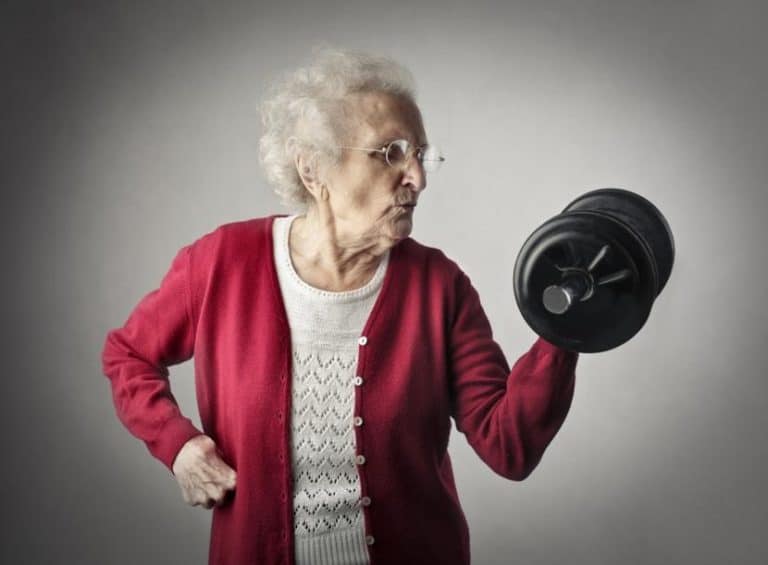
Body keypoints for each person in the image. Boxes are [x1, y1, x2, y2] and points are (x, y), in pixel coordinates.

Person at [101, 47, 579, 565]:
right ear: (313, 168)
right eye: (392, 152)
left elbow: (507, 444)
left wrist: (567, 329)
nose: (417, 176)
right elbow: (127, 355)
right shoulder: (220, 263)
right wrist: (178, 445)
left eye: (420, 153)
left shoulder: (440, 286)